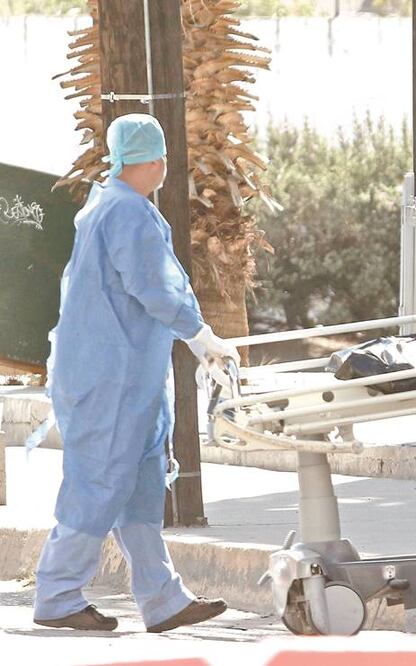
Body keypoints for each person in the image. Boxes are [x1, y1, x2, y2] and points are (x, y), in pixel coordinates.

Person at [33, 114, 240, 632]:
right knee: (100, 481)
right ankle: (57, 595)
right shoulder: (126, 214)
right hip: (110, 378)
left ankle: (163, 598)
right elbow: (156, 287)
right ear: (154, 161)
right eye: (164, 157)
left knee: (140, 484)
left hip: (127, 375)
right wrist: (201, 337)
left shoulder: (112, 205)